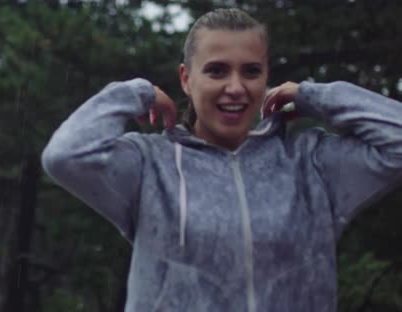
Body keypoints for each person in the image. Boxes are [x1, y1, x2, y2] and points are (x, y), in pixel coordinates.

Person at [41, 8, 402, 312]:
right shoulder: (149, 165)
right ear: (186, 79)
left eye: (250, 71)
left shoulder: (312, 163)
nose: (235, 87)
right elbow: (65, 155)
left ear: (266, 78)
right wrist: (134, 93)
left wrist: (314, 96)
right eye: (216, 70)